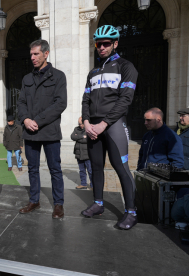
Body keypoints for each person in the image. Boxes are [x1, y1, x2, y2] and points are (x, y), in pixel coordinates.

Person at [81, 25, 138, 230]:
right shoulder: (93, 71)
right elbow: (85, 99)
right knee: (95, 167)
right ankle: (98, 204)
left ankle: (131, 212)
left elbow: (125, 100)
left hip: (113, 125)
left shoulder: (126, 66)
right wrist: (87, 123)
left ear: (115, 44)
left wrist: (104, 123)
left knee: (121, 168)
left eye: (106, 43)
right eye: (99, 43)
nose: (102, 47)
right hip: (92, 127)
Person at [17, 39, 67, 219]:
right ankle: (34, 200)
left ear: (46, 54)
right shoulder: (27, 78)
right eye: (31, 54)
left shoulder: (58, 76)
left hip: (50, 131)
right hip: (30, 132)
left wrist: (37, 120)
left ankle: (58, 204)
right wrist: (26, 119)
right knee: (32, 169)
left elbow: (60, 103)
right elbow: (21, 102)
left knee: (55, 169)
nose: (32, 57)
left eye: (36, 54)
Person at [71, 117, 92, 190]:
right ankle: (83, 184)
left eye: (81, 124)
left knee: (90, 170)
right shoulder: (76, 129)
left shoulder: (89, 129)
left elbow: (88, 140)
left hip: (87, 154)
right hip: (78, 153)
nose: (80, 125)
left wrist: (78, 137)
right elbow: (72, 137)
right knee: (82, 170)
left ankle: (92, 185)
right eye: (79, 124)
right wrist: (82, 136)